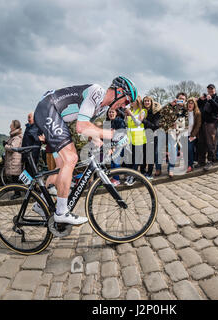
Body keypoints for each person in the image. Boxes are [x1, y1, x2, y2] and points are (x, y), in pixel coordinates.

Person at [33, 76, 137, 225]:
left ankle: (41, 204)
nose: (124, 106)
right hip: (48, 108)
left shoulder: (103, 108)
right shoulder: (96, 92)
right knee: (71, 158)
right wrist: (112, 134)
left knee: (61, 166)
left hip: (56, 117)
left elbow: (88, 130)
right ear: (119, 91)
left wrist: (102, 143)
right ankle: (61, 212)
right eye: (126, 101)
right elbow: (81, 127)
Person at [159, 92, 188, 178]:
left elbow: (187, 121)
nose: (181, 100)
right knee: (170, 151)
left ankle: (171, 168)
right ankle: (166, 168)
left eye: (183, 99)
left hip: (180, 133)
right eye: (180, 98)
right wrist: (170, 104)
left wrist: (179, 125)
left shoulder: (186, 110)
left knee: (174, 151)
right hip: (169, 131)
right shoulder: (171, 107)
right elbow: (162, 112)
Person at [197, 84, 218, 171]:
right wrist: (200, 100)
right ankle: (201, 161)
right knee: (201, 142)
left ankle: (210, 161)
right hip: (202, 123)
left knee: (210, 143)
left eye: (212, 89)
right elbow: (197, 107)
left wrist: (211, 100)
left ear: (215, 90)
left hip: (212, 123)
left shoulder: (217, 99)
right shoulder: (205, 98)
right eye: (209, 89)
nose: (210, 91)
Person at [124, 97, 147, 185]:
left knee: (136, 159)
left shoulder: (142, 111)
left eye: (133, 101)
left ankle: (133, 177)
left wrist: (131, 115)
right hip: (130, 139)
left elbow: (138, 123)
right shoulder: (130, 111)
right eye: (130, 101)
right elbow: (126, 124)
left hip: (139, 138)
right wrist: (126, 116)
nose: (131, 103)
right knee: (131, 159)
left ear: (137, 102)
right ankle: (131, 175)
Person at [142, 96, 162, 179]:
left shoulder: (156, 112)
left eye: (148, 101)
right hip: (143, 136)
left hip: (153, 135)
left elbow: (155, 126)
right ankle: (143, 172)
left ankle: (149, 173)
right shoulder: (142, 111)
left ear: (151, 102)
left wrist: (144, 120)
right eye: (145, 101)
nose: (147, 102)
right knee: (143, 155)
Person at [4, 120, 23, 200]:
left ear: (15, 126)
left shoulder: (17, 137)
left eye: (11, 125)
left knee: (16, 178)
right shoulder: (14, 136)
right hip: (13, 159)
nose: (10, 126)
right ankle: (17, 192)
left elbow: (13, 148)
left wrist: (5, 146)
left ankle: (17, 193)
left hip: (15, 160)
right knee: (15, 178)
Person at [107, 107, 126, 186]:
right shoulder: (110, 122)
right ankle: (114, 178)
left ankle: (117, 180)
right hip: (113, 145)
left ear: (116, 113)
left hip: (120, 144)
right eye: (109, 112)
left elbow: (122, 133)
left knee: (116, 162)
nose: (111, 114)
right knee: (112, 162)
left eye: (112, 112)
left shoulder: (119, 120)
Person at [185, 97, 201, 172]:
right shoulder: (184, 112)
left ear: (194, 104)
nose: (190, 105)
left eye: (192, 103)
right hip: (183, 134)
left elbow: (198, 125)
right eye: (189, 103)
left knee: (190, 150)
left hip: (192, 135)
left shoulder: (197, 113)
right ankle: (186, 164)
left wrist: (192, 135)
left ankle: (190, 166)